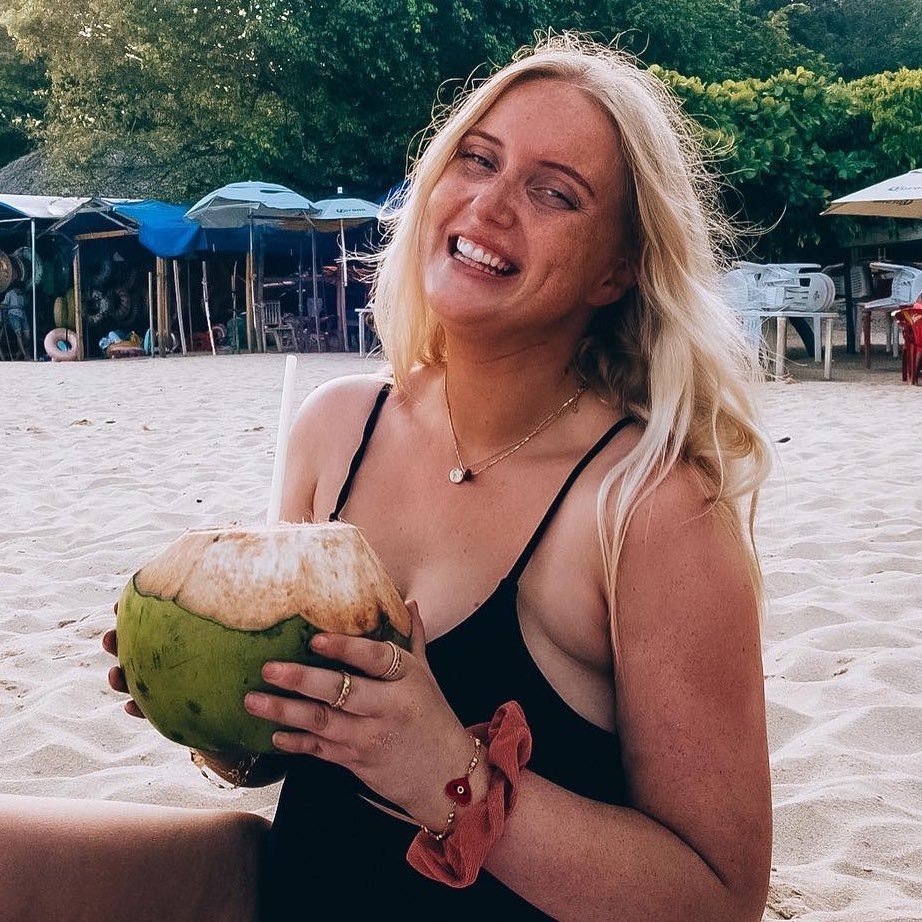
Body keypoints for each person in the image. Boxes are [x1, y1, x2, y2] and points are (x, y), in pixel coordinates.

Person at [105, 32, 772, 920]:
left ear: (616, 270)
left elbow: (719, 900)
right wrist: (213, 704)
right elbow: (293, 756)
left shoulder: (649, 504)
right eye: (478, 159)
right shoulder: (337, 429)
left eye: (553, 193)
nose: (490, 204)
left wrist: (447, 774)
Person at [1, 285, 31, 360]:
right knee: (19, 334)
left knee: (28, 336)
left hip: (23, 314)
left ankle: (18, 354)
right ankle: (25, 355)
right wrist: (12, 307)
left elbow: (26, 304)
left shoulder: (23, 295)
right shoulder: (9, 294)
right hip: (13, 315)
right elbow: (4, 306)